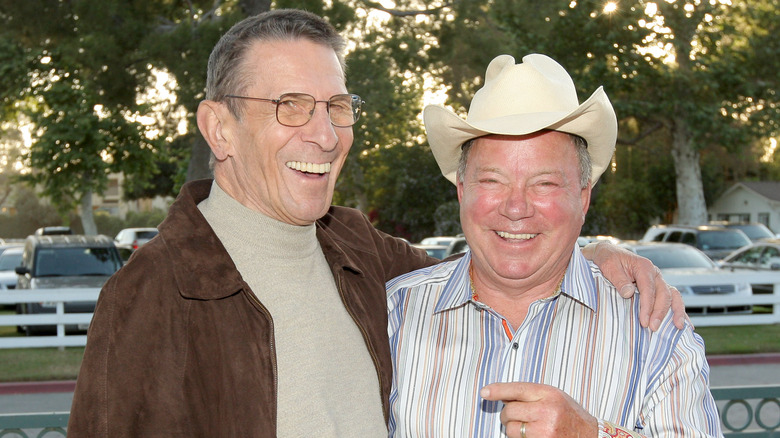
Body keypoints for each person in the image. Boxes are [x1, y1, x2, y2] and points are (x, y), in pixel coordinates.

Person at [68, 10, 685, 437]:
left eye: (337, 105)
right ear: (218, 128)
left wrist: (595, 251)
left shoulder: (359, 255)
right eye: (290, 106)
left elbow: (502, 259)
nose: (325, 132)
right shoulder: (149, 297)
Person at [387, 54, 721, 437]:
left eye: (544, 183)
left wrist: (591, 434)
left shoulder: (654, 329)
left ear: (583, 198)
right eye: (492, 181)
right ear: (462, 192)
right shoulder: (392, 318)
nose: (516, 208)